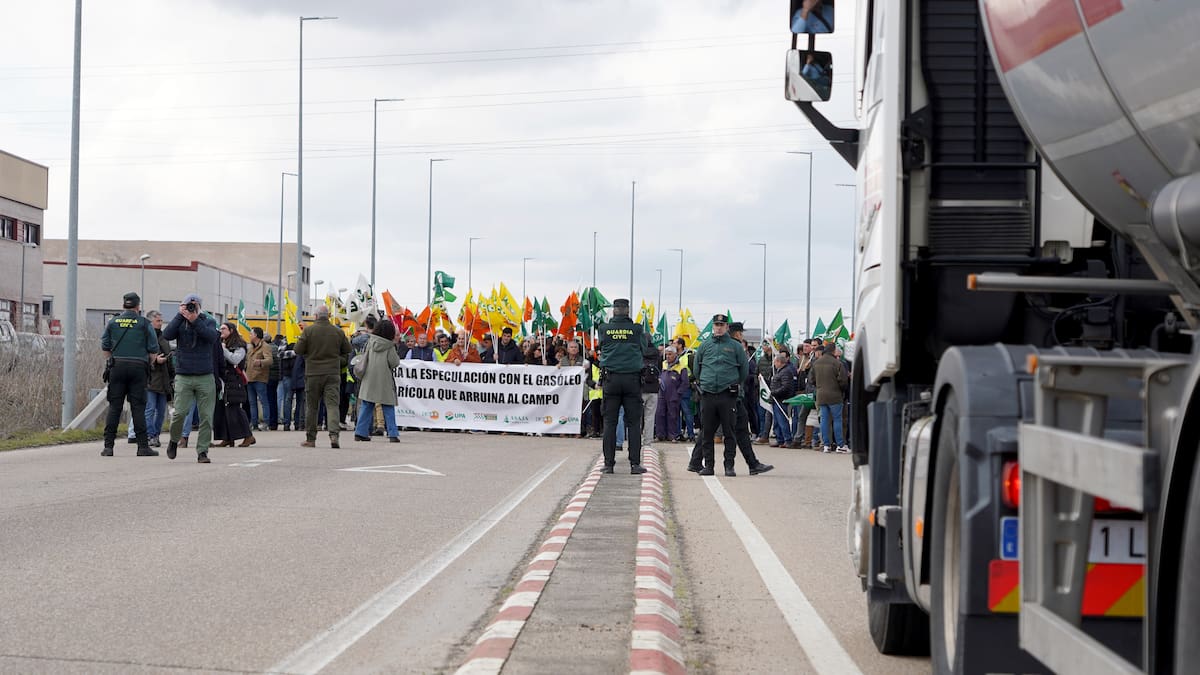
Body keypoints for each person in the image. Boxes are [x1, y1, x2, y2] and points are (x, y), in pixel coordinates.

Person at [599, 298, 657, 475]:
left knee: (610, 422)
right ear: (628, 310)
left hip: (611, 380)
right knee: (633, 423)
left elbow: (601, 345)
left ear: (614, 310)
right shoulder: (637, 329)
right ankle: (634, 464)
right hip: (632, 380)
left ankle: (609, 465)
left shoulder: (604, 328)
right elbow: (642, 349)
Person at [100, 292, 160, 457]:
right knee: (138, 408)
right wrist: (148, 363)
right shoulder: (144, 323)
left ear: (123, 305)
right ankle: (142, 447)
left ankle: (108, 447)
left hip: (117, 366)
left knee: (115, 407)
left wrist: (112, 361)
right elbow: (154, 350)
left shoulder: (112, 322)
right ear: (138, 307)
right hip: (138, 367)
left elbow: (105, 346)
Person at [164, 293, 220, 462]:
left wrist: (195, 320)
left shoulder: (207, 320)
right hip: (184, 374)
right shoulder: (180, 321)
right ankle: (174, 441)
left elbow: (211, 338)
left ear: (198, 307)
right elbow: (167, 334)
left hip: (205, 375)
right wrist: (179, 315)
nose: (190, 308)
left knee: (206, 417)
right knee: (179, 413)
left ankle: (202, 451)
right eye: (187, 305)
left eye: (192, 305)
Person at [686, 314, 742, 475]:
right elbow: (697, 368)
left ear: (726, 327)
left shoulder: (735, 346)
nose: (718, 327)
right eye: (716, 324)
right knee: (707, 432)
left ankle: (729, 466)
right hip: (708, 394)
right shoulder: (704, 346)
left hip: (727, 395)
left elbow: (743, 370)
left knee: (729, 432)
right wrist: (704, 381)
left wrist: (733, 384)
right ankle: (709, 466)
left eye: (721, 325)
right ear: (713, 326)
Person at [296, 304, 352, 448]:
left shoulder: (308, 331)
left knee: (312, 407)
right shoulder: (338, 332)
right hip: (333, 373)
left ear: (315, 316)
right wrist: (339, 361)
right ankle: (334, 436)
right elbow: (347, 350)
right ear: (328, 316)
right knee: (332, 405)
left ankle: (311, 438)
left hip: (313, 373)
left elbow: (298, 350)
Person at [125, 310, 172, 447]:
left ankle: (156, 434)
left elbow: (169, 357)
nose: (160, 323)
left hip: (163, 380)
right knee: (149, 409)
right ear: (151, 322)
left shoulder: (164, 338)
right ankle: (150, 435)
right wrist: (155, 360)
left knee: (161, 411)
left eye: (161, 320)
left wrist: (171, 375)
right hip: (149, 379)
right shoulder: (143, 337)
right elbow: (140, 356)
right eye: (158, 320)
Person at [353, 319, 402, 443]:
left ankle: (360, 432)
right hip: (384, 379)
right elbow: (394, 362)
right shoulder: (389, 346)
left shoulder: (370, 341)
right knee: (388, 406)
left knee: (366, 405)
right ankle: (392, 433)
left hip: (369, 377)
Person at [213, 322, 255, 448]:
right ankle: (227, 438)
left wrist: (223, 350)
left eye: (224, 329)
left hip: (234, 381)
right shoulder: (221, 342)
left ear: (231, 330)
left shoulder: (239, 344)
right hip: (224, 380)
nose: (221, 331)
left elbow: (235, 359)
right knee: (222, 410)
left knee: (235, 409)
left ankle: (248, 435)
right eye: (220, 329)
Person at [810, 343, 850, 453]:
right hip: (835, 396)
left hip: (821, 395)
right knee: (837, 420)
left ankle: (826, 445)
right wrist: (841, 390)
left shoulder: (816, 363)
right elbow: (843, 381)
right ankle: (840, 445)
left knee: (824, 420)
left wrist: (819, 386)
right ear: (833, 351)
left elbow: (811, 379)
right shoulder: (837, 363)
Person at [557, 339, 590, 438]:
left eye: (575, 347)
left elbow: (588, 373)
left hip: (579, 391)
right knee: (564, 410)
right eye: (571, 347)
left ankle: (578, 431)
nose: (573, 349)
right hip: (566, 391)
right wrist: (557, 367)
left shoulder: (583, 360)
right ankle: (563, 430)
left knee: (579, 411)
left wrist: (586, 367)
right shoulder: (562, 360)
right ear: (567, 349)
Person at [656, 346, 687, 442]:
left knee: (672, 416)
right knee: (660, 414)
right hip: (662, 394)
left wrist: (678, 393)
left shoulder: (681, 366)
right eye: (666, 354)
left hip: (673, 394)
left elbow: (685, 382)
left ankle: (672, 436)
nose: (668, 356)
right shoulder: (663, 364)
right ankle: (660, 435)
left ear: (675, 354)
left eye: (670, 354)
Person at [245, 327, 273, 431]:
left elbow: (270, 360)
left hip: (260, 377)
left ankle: (265, 422)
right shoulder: (250, 347)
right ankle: (254, 423)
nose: (250, 336)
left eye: (251, 334)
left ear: (256, 335)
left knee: (263, 401)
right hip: (249, 377)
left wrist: (261, 362)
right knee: (252, 402)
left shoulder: (265, 346)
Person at [769, 352, 798, 447]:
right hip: (776, 399)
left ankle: (787, 439)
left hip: (781, 399)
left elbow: (786, 387)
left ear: (779, 362)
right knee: (777, 421)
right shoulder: (780, 371)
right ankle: (780, 439)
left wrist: (774, 392)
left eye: (775, 362)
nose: (774, 364)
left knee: (782, 420)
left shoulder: (786, 372)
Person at [673, 337, 696, 442]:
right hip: (674, 388)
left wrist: (686, 379)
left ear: (680, 345)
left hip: (686, 387)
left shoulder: (688, 356)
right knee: (676, 412)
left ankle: (691, 434)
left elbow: (694, 372)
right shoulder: (673, 356)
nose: (673, 345)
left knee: (687, 412)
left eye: (675, 343)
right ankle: (678, 433)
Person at [278, 340, 297, 430]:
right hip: (289, 374)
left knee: (291, 400)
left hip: (295, 374)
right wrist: (295, 353)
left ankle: (297, 423)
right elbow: (280, 354)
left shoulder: (302, 338)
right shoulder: (287, 340)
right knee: (288, 399)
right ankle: (288, 423)